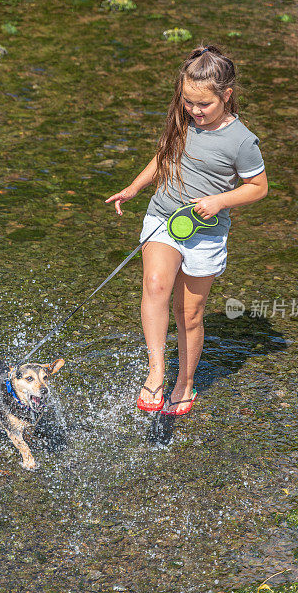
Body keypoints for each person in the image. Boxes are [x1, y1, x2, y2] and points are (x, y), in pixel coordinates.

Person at [105, 44, 268, 416]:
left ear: (226, 95)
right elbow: (164, 157)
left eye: (203, 105)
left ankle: (186, 382)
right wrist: (134, 187)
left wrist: (220, 201)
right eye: (187, 102)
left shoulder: (242, 141)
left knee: (189, 313)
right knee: (155, 285)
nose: (194, 111)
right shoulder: (183, 121)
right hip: (163, 216)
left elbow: (258, 187)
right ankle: (157, 369)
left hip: (206, 232)